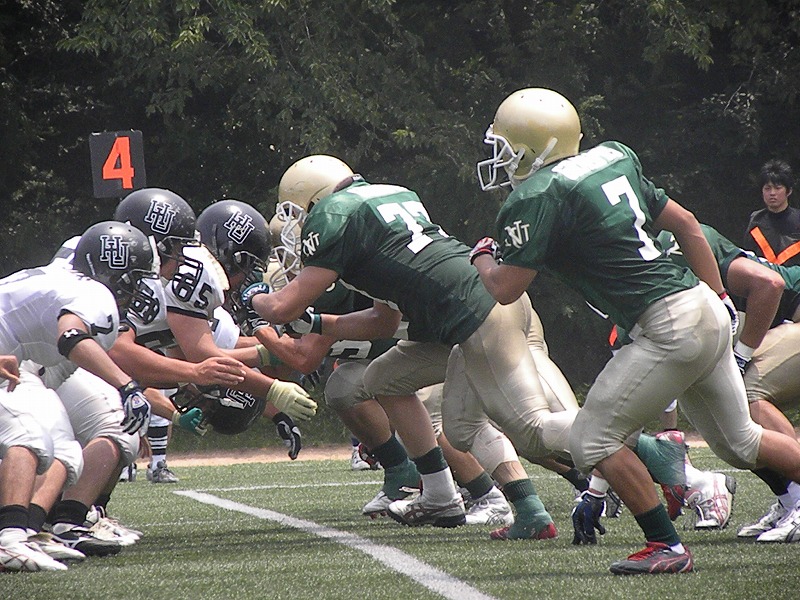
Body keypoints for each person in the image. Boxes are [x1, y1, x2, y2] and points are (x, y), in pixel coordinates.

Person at [471, 87, 800, 575]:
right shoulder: (612, 157)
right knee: (742, 442)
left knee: (591, 440)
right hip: (703, 306)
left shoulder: (537, 195)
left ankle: (666, 545)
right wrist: (720, 295)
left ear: (534, 146)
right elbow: (688, 224)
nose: (501, 158)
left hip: (667, 325)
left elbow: (505, 287)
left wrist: (481, 256)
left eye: (506, 146)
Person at [0, 221, 156, 571]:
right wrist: (127, 386)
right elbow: (70, 337)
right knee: (28, 433)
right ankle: (8, 539)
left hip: (12, 359)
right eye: (136, 277)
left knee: (62, 445)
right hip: (8, 360)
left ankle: (27, 531)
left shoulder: (66, 280)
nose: (139, 288)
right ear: (116, 272)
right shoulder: (93, 292)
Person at [743, 160, 800, 267]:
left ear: (789, 191)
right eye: (767, 188)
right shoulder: (755, 220)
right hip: (762, 275)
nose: (772, 193)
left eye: (778, 188)